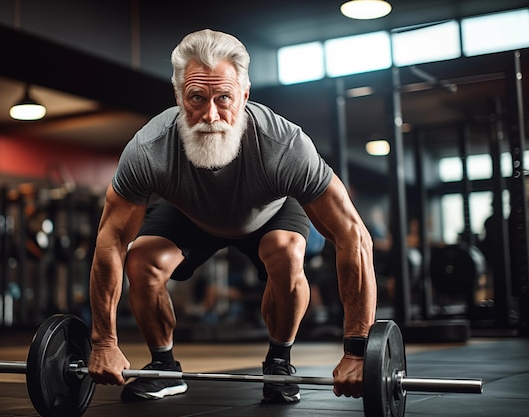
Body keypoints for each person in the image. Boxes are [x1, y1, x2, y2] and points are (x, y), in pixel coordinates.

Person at [87, 29, 377, 404]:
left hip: (267, 212)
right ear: (178, 97)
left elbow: (353, 236)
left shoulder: (284, 146)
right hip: (188, 213)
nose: (210, 114)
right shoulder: (149, 149)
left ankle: (278, 362)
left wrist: (357, 350)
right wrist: (103, 342)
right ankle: (164, 367)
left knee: (287, 253)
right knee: (141, 260)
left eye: (223, 97)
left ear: (244, 95)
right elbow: (110, 241)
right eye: (196, 98)